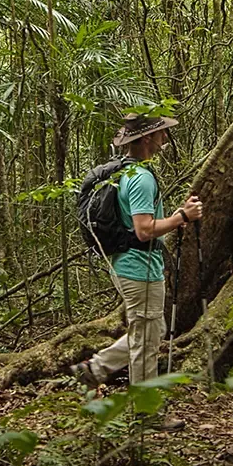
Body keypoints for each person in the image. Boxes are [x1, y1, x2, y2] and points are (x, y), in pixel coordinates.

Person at [72, 113, 202, 427]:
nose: (165, 139)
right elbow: (144, 230)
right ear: (146, 139)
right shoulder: (141, 177)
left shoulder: (125, 173)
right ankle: (146, 414)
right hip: (138, 267)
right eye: (160, 134)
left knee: (149, 332)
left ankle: (95, 369)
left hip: (130, 264)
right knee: (146, 340)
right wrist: (182, 217)